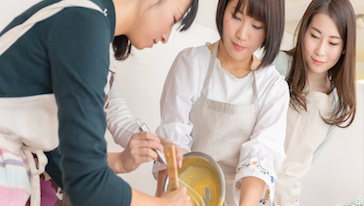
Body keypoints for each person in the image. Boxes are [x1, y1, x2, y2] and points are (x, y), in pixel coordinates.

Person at [0, 0, 199, 205]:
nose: (167, 37)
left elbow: (70, 159)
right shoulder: (84, 24)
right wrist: (161, 203)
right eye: (173, 19)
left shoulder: (88, 22)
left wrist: (142, 153)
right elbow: (87, 180)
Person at [153, 0, 289, 205]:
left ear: (271, 29)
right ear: (222, 9)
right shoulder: (190, 62)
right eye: (236, 17)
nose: (242, 34)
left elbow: (259, 161)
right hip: (188, 195)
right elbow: (172, 146)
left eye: (256, 26)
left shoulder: (273, 86)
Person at [271, 0, 357, 205]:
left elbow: (309, 160)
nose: (320, 50)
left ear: (345, 47)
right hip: (244, 190)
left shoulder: (338, 103)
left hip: (287, 199)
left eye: (333, 43)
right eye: (314, 36)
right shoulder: (277, 67)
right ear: (303, 31)